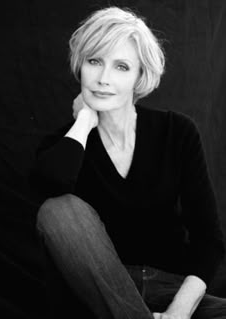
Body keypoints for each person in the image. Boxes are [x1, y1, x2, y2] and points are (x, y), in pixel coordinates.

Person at [35, 6, 226, 319]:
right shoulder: (64, 145)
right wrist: (84, 120)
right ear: (80, 66)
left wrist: (179, 312)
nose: (103, 79)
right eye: (94, 61)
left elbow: (209, 240)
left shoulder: (177, 133)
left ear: (140, 76)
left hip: (171, 291)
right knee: (58, 209)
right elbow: (49, 190)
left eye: (121, 67)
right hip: (96, 299)